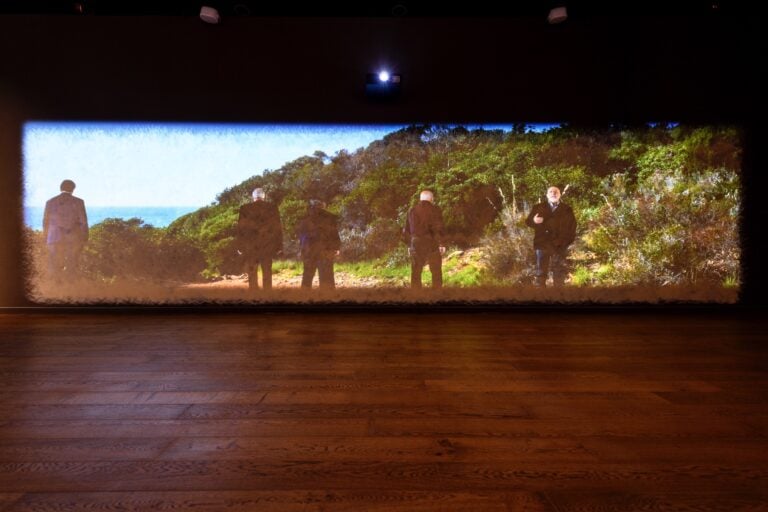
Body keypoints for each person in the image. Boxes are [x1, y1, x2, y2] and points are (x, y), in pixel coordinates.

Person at [525, 186, 577, 287]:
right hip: (542, 243)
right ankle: (541, 297)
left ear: (560, 194)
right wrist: (534, 221)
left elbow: (572, 226)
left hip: (559, 244)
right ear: (547, 195)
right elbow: (528, 222)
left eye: (556, 192)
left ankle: (557, 297)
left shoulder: (567, 209)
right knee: (540, 272)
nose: (553, 193)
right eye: (551, 191)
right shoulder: (538, 207)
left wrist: (566, 242)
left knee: (559, 271)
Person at [236, 188, 283, 291]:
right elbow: (277, 229)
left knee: (252, 273)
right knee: (267, 272)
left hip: (251, 247)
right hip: (267, 246)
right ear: (263, 196)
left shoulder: (244, 208)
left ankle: (254, 296)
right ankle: (267, 296)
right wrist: (279, 246)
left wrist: (240, 246)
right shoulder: (272, 208)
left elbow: (240, 229)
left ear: (253, 197)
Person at [42, 179, 89, 282]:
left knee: (54, 264)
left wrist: (45, 237)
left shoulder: (50, 202)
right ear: (73, 189)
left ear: (60, 188)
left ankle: (55, 289)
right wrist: (85, 237)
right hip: (72, 238)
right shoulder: (79, 202)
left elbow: (45, 222)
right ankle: (69, 290)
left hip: (53, 238)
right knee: (71, 264)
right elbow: (83, 222)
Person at [403, 189, 445, 289]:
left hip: (416, 242)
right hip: (432, 242)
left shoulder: (411, 210)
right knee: (436, 271)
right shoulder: (436, 210)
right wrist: (442, 243)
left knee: (416, 272)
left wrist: (409, 246)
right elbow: (440, 228)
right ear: (432, 199)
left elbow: (406, 230)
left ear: (420, 198)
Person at [297, 199, 341, 290]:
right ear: (323, 206)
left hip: (309, 251)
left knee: (307, 278)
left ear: (312, 206)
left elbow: (301, 237)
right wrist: (336, 248)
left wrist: (302, 249)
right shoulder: (330, 218)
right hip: (325, 251)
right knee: (327, 278)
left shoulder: (305, 219)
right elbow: (334, 234)